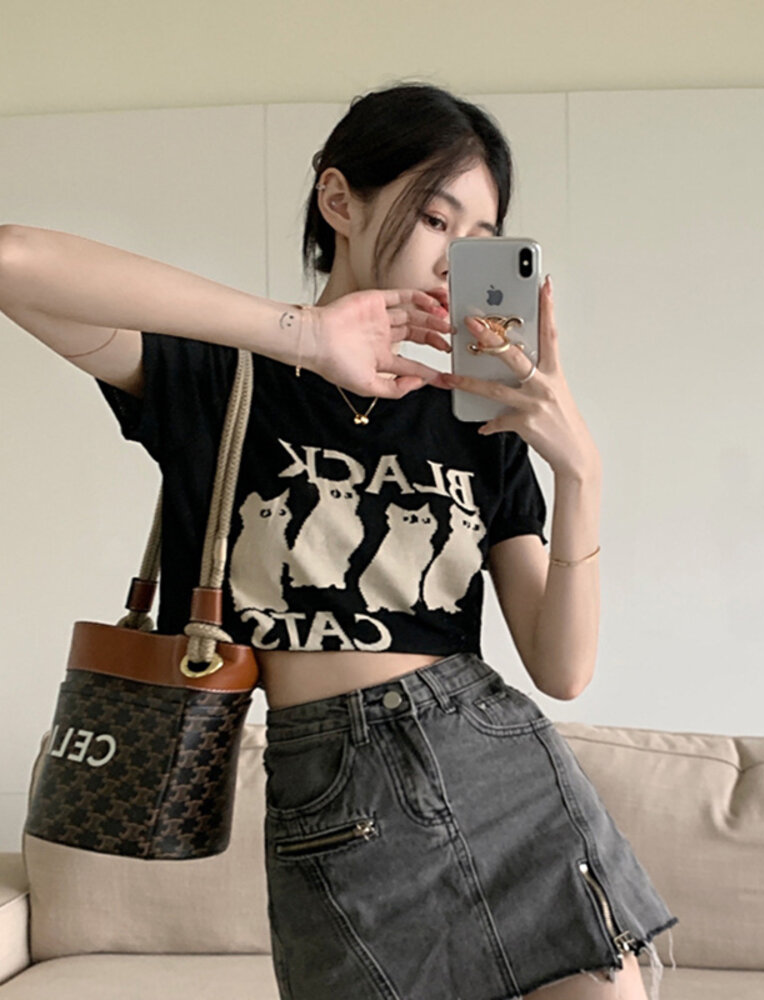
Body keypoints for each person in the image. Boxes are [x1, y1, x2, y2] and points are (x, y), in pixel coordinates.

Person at [0, 81, 678, 1000]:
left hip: (500, 773)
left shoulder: (477, 421)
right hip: (331, 800)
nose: (453, 257)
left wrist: (581, 474)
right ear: (338, 200)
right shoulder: (227, 381)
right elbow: (15, 261)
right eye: (436, 219)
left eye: (479, 239)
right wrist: (305, 335)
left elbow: (562, 669)